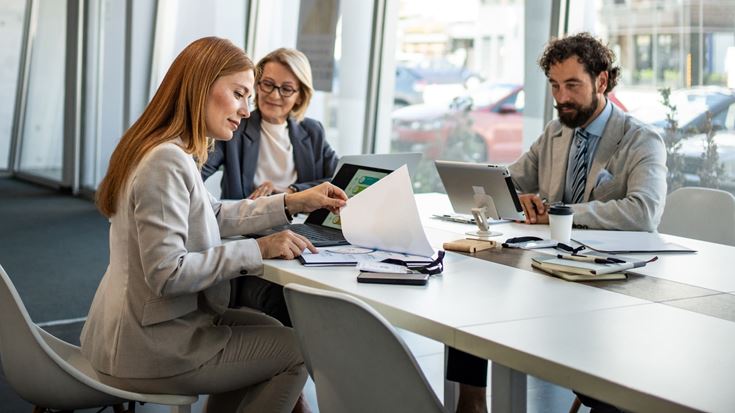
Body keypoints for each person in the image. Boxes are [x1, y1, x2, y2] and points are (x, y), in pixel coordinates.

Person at [80, 36, 347, 413]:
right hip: (147, 346)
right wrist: (259, 248)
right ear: (201, 86)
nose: (245, 110)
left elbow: (213, 213)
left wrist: (290, 202)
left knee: (274, 331)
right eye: (240, 94)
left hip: (138, 328)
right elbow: (168, 274)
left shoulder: (168, 149)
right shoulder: (166, 162)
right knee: (298, 350)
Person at [446, 32, 667, 413]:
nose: (561, 97)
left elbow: (644, 211)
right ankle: (472, 402)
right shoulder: (556, 133)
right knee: (473, 292)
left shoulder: (641, 140)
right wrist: (517, 198)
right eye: (554, 85)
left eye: (572, 85)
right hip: (548, 269)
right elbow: (511, 182)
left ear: (601, 81)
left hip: (605, 286)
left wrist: (561, 212)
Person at [201, 47, 338, 200]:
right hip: (245, 221)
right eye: (267, 84)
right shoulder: (234, 126)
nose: (274, 95)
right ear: (257, 85)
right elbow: (195, 172)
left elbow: (340, 180)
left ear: (300, 96)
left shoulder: (313, 131)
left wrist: (291, 191)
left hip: (299, 222)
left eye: (286, 89)